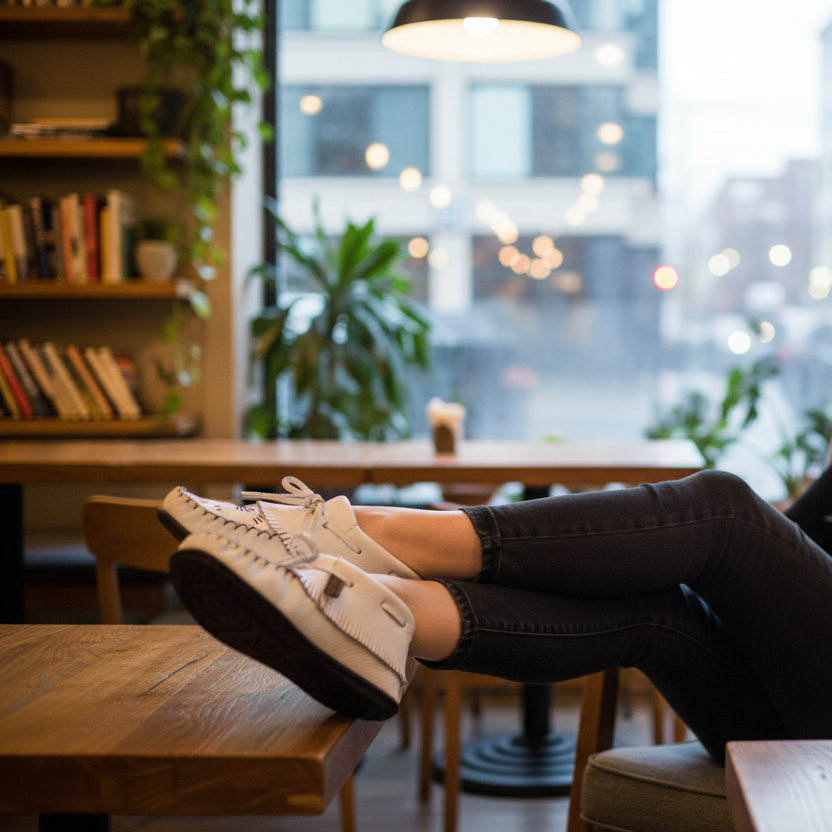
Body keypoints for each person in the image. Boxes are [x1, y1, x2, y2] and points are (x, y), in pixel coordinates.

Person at [159, 468, 832, 763]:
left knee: (721, 511)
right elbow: (792, 547)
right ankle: (382, 614)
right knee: (654, 610)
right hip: (793, 720)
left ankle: (363, 534)